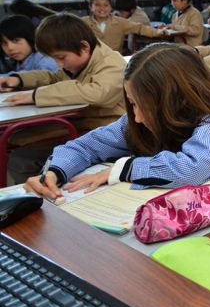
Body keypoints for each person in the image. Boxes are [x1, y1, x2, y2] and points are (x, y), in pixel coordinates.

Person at [22, 43, 210, 224]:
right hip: (173, 217)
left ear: (180, 100)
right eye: (132, 104)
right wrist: (56, 172)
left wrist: (122, 169)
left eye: (147, 107)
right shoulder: (139, 121)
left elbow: (191, 169)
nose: (138, 117)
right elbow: (86, 146)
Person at [0, 14, 126, 182]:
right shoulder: (80, 60)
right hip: (81, 124)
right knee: (16, 142)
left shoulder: (112, 63)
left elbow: (99, 93)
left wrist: (36, 95)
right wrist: (19, 79)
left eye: (61, 58)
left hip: (106, 130)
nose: (58, 64)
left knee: (20, 153)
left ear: (84, 47)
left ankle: (41, 186)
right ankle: (38, 186)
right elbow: (54, 77)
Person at [82, 0, 165, 52]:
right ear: (90, 7)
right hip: (90, 61)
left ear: (111, 7)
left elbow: (140, 28)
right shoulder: (83, 23)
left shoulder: (120, 22)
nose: (102, 8)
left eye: (106, 5)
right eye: (97, 5)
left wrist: (159, 32)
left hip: (114, 59)